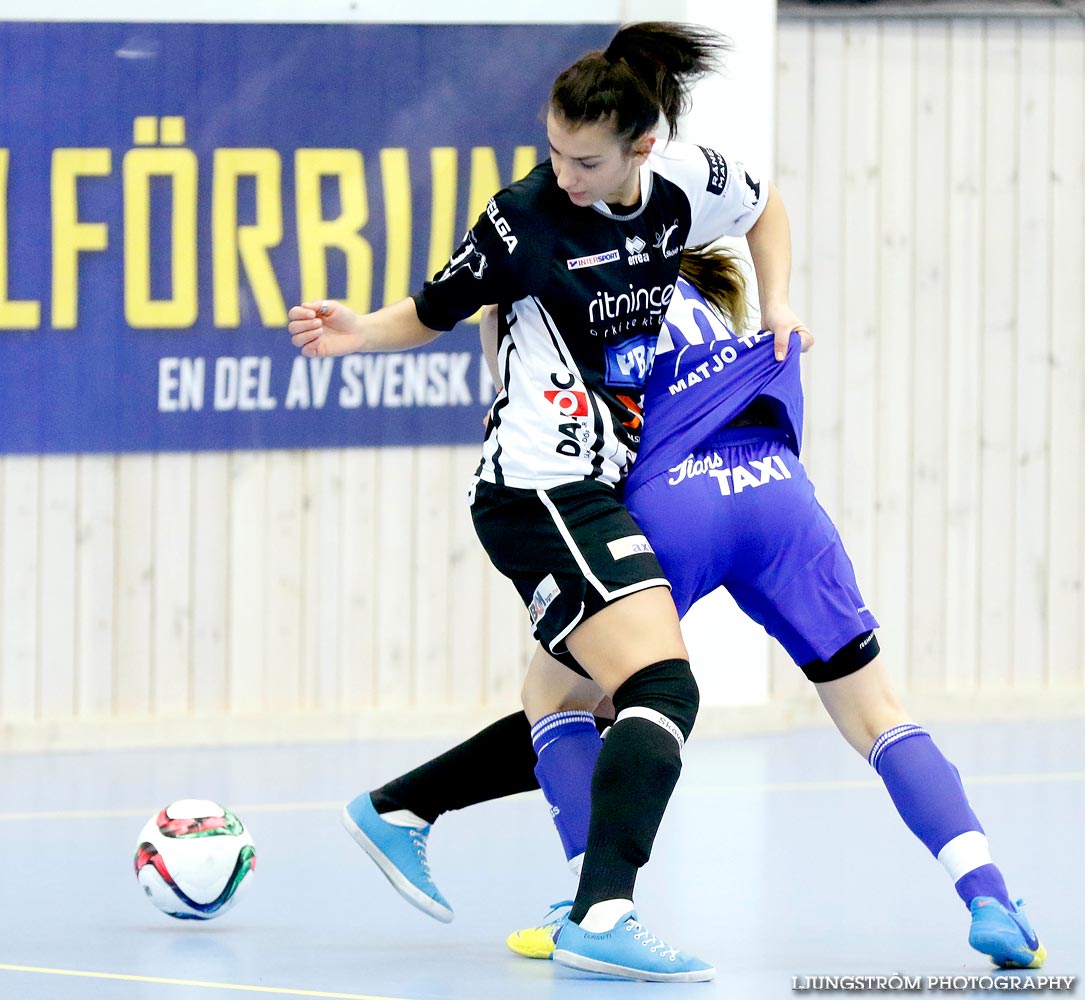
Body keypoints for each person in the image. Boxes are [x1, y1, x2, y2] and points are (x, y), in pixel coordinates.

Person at [319, 247, 1046, 975]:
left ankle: (587, 900)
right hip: (777, 490)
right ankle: (989, 898)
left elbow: (514, 378)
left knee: (558, 695)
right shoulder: (677, 267)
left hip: (672, 498)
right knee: (876, 713)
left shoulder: (548, 284)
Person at [288, 21, 805, 983]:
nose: (564, 174)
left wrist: (776, 304)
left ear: (642, 148)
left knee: (585, 697)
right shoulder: (523, 220)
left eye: (586, 161)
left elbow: (766, 205)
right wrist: (358, 333)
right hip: (539, 488)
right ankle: (601, 912)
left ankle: (400, 809)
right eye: (554, 151)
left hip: (594, 486)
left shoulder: (684, 184)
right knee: (665, 685)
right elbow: (433, 309)